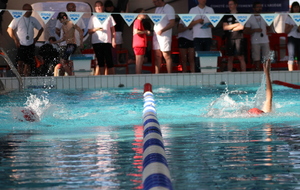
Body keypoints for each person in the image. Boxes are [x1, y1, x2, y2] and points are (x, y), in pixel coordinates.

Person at [7, 3, 44, 76]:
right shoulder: (17, 19)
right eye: (29, 10)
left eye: (31, 10)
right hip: (21, 44)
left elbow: (41, 29)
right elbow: (9, 29)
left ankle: (26, 76)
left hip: (30, 44)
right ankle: (19, 76)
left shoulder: (33, 19)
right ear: (24, 11)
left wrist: (36, 38)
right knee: (20, 62)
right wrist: (15, 39)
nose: (30, 12)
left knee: (28, 63)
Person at [88, 1, 116, 75]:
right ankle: (102, 77)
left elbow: (113, 30)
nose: (98, 7)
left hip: (107, 41)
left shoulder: (109, 16)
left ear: (102, 6)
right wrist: (96, 29)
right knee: (100, 61)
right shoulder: (93, 17)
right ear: (95, 8)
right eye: (96, 6)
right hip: (96, 41)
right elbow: (89, 31)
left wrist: (113, 40)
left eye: (100, 6)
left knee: (109, 60)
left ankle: (112, 77)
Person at [188, 0, 214, 72]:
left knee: (207, 56)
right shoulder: (193, 10)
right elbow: (189, 25)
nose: (203, 0)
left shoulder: (210, 9)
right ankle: (198, 73)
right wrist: (197, 21)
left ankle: (207, 72)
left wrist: (208, 24)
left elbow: (214, 24)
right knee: (198, 56)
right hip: (197, 36)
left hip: (207, 36)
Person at [244, 1, 270, 71]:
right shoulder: (250, 17)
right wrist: (254, 30)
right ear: (254, 8)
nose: (259, 8)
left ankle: (266, 72)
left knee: (267, 58)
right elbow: (246, 31)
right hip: (255, 41)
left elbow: (269, 27)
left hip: (265, 40)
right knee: (256, 58)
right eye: (257, 7)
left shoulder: (265, 17)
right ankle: (257, 71)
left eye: (260, 7)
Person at [222, 0, 246, 72]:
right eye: (229, 5)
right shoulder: (226, 15)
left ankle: (244, 73)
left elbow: (242, 27)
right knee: (230, 57)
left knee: (241, 57)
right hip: (230, 38)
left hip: (239, 37)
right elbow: (225, 27)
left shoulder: (240, 15)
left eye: (231, 4)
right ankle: (230, 73)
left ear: (236, 5)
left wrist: (230, 26)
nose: (230, 6)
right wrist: (236, 25)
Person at [152, 0, 175, 73]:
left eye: (155, 1)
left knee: (166, 55)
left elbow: (172, 23)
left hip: (164, 35)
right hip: (156, 34)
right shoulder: (157, 9)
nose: (154, 3)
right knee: (157, 55)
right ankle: (157, 74)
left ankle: (169, 74)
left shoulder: (169, 8)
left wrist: (162, 30)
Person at [104, 0, 126, 64]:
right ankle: (110, 60)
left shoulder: (118, 10)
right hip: (108, 31)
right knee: (108, 46)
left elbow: (124, 14)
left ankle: (117, 60)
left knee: (118, 46)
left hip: (118, 30)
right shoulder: (105, 13)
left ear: (111, 7)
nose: (107, 9)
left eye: (108, 7)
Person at [132, 8, 151, 74]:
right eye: (143, 12)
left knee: (140, 62)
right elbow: (136, 31)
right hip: (139, 44)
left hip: (140, 44)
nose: (144, 13)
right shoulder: (137, 21)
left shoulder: (139, 22)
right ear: (139, 14)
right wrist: (145, 31)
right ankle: (138, 76)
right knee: (139, 62)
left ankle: (139, 75)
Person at [285, 1, 300, 71]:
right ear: (292, 8)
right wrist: (291, 26)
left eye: (297, 7)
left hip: (299, 38)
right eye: (295, 7)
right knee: (291, 56)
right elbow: (286, 31)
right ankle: (290, 72)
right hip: (291, 37)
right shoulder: (289, 17)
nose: (296, 9)